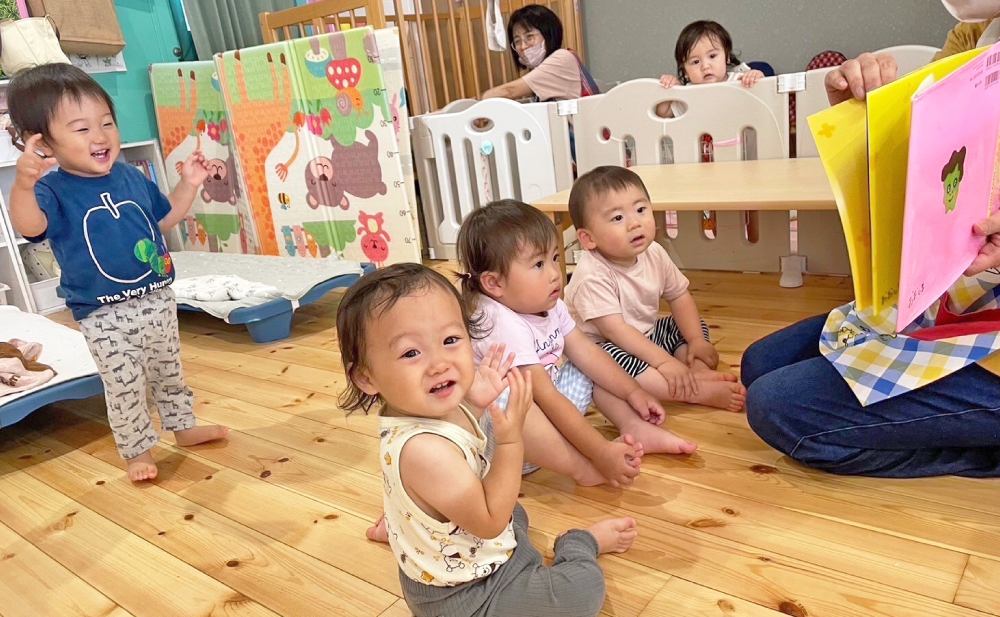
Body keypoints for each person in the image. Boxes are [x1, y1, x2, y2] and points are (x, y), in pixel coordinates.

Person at [743, 0, 1000, 478]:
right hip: (964, 293)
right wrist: (868, 115)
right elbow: (932, 164)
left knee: (778, 408)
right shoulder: (975, 36)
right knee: (760, 364)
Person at [337, 263, 637, 617]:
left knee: (516, 511)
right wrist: (511, 442)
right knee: (582, 594)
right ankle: (578, 543)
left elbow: (465, 450)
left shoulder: (418, 411)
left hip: (462, 558)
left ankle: (407, 529)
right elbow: (492, 520)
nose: (439, 364)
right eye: (411, 353)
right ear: (367, 377)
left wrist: (476, 405)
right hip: (466, 597)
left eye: (451, 340)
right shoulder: (424, 451)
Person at [6, 64, 228, 482]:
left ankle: (183, 427)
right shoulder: (51, 189)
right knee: (125, 382)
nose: (101, 136)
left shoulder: (129, 176)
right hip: (102, 312)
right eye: (81, 129)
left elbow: (163, 220)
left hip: (157, 297)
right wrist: (22, 185)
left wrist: (190, 184)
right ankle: (137, 451)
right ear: (45, 142)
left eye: (106, 123)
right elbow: (30, 227)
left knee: (169, 371)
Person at [457, 199, 697, 490]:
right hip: (503, 447)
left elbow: (588, 353)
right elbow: (545, 397)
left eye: (555, 257)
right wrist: (598, 453)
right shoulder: (498, 321)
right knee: (511, 401)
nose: (555, 273)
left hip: (549, 433)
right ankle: (579, 468)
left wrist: (633, 392)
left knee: (594, 362)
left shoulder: (547, 302)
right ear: (494, 284)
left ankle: (632, 425)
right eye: (538, 264)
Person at [564, 166, 746, 412]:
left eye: (640, 210)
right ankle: (694, 391)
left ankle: (694, 372)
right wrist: (662, 361)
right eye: (618, 218)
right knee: (612, 365)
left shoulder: (655, 253)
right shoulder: (592, 276)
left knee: (688, 325)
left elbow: (679, 296)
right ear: (588, 239)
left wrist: (696, 341)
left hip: (646, 336)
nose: (635, 223)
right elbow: (617, 332)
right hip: (605, 346)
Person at [481, 4, 599, 102]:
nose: (523, 46)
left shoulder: (561, 59)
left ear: (548, 35)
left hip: (584, 129)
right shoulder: (544, 68)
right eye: (517, 41)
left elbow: (510, 91)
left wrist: (474, 105)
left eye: (529, 37)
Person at [656, 20, 764, 118]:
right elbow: (664, 113)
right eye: (695, 62)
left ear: (727, 58)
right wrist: (670, 91)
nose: (705, 66)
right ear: (685, 72)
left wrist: (756, 77)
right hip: (700, 139)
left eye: (712, 56)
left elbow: (764, 95)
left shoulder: (739, 80)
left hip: (737, 138)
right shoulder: (688, 94)